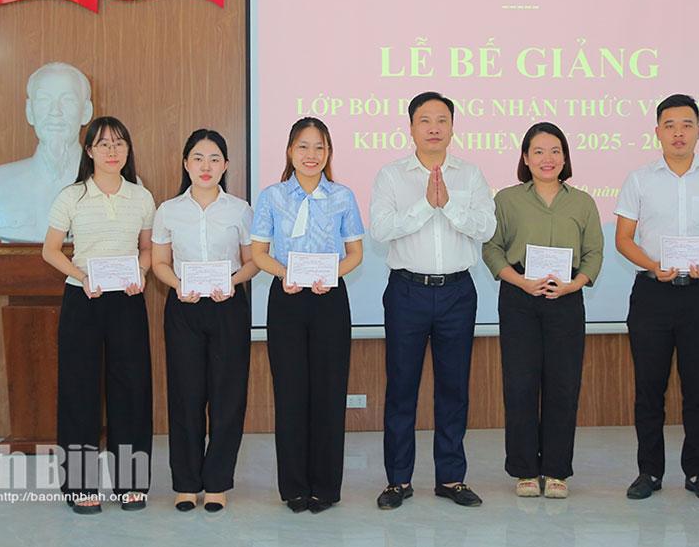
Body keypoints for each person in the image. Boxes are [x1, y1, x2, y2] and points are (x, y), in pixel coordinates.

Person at [615, 94, 699, 503]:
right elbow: (623, 239)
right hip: (652, 294)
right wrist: (653, 265)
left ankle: (698, 472)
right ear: (657, 132)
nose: (678, 133)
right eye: (670, 125)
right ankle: (649, 472)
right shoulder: (639, 179)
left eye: (686, 125)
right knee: (649, 389)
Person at [370, 92, 496, 510]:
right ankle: (398, 480)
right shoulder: (391, 175)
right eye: (425, 120)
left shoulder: (470, 175)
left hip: (458, 291)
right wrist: (426, 206)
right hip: (407, 291)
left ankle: (451, 478)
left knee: (454, 388)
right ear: (411, 127)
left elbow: (486, 228)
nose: (434, 128)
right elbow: (380, 230)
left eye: (442, 120)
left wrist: (450, 204)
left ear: (453, 127)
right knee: (401, 388)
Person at [482, 122, 603, 499]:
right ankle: (524, 470)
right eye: (538, 151)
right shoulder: (506, 199)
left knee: (563, 385)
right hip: (519, 297)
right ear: (525, 157)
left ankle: (556, 471)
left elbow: (594, 252)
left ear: (565, 157)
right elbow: (492, 248)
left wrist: (573, 284)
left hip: (565, 296)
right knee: (520, 385)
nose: (547, 159)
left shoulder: (583, 202)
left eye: (555, 151)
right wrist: (520, 282)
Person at [41, 116, 156, 514]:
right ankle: (80, 486)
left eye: (119, 143)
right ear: (89, 150)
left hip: (127, 300)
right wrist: (81, 275)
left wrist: (140, 273)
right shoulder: (71, 196)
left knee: (132, 391)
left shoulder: (141, 197)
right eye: (103, 144)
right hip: (83, 299)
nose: (112, 151)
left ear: (128, 150)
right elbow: (50, 250)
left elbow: (147, 249)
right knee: (79, 392)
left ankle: (131, 483)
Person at [250, 117, 364, 514]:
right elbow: (259, 253)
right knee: (290, 392)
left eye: (319, 147)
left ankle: (326, 487)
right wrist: (286, 274)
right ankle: (294, 487)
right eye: (303, 146)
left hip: (330, 299)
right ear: (289, 151)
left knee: (329, 393)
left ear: (328, 153)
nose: (311, 155)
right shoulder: (272, 196)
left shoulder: (343, 196)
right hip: (287, 299)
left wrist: (330, 275)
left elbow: (356, 254)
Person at [150, 129, 258, 513]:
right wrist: (178, 285)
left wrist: (232, 281)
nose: (206, 166)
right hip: (184, 307)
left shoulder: (240, 210)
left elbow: (253, 262)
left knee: (228, 396)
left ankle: (216, 483)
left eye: (214, 159)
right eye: (198, 158)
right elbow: (159, 262)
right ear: (186, 163)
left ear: (226, 165)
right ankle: (185, 483)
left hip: (228, 306)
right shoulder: (168, 210)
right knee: (186, 395)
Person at [0, 62, 94, 241]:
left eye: (68, 100)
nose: (55, 112)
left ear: (86, 112)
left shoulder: (122, 187)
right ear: (30, 111)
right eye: (44, 100)